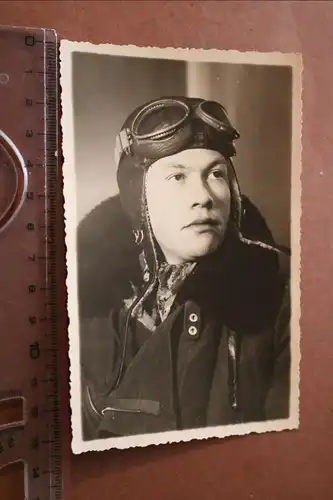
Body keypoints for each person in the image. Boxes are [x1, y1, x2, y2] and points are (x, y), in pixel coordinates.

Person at [78, 96, 291, 440]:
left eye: (216, 174)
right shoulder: (86, 311)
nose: (203, 196)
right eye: (177, 177)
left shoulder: (286, 291)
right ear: (139, 199)